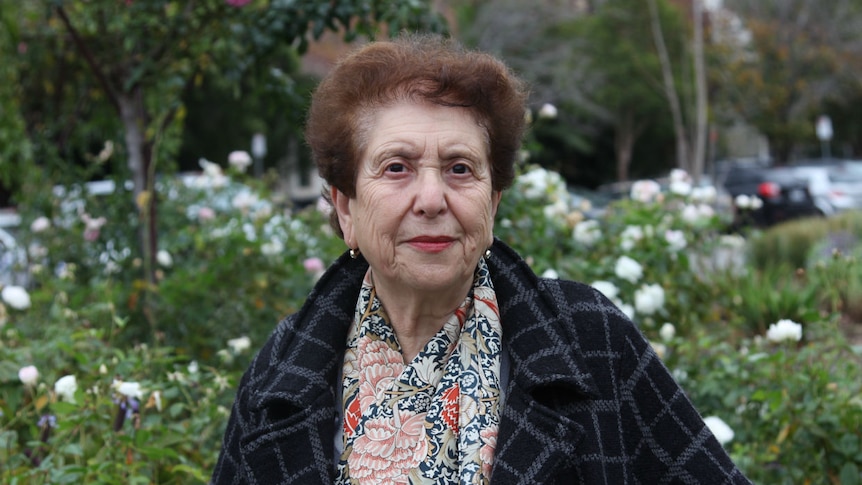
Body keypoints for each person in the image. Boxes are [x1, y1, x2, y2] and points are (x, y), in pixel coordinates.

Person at [211, 33, 752, 484]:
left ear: (492, 203)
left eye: (460, 169)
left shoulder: (592, 340)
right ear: (345, 207)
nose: (431, 199)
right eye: (396, 167)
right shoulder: (282, 372)